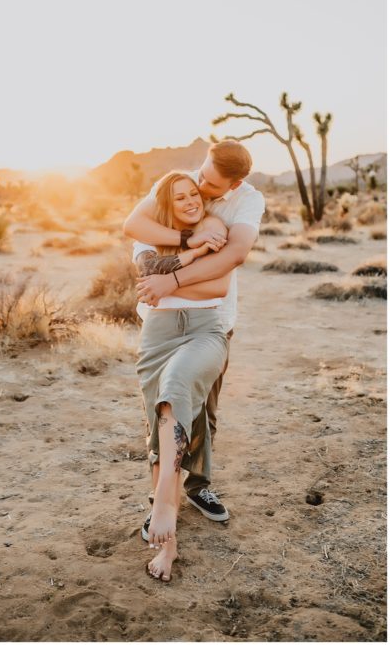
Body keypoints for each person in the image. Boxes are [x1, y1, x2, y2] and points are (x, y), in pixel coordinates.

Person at [123, 140, 264, 525]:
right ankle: (162, 495)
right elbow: (135, 230)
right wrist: (188, 244)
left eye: (211, 185)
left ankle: (197, 486)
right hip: (160, 322)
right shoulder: (178, 186)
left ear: (232, 187)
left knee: (204, 410)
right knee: (161, 410)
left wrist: (170, 282)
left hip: (212, 318)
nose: (201, 187)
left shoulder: (243, 204)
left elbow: (230, 261)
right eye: (202, 173)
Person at [130, 171, 233, 581]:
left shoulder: (213, 227)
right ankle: (167, 548)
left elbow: (218, 286)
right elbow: (147, 274)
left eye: (194, 193)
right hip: (157, 337)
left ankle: (164, 506)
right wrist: (191, 260)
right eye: (180, 198)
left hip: (205, 330)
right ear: (165, 206)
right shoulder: (149, 238)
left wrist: (166, 285)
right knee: (161, 427)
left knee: (175, 391)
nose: (191, 201)